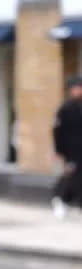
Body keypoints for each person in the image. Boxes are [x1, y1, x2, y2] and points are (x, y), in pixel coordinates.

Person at [52, 76, 82, 219]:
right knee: (70, 175)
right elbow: (57, 131)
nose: (78, 91)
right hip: (71, 150)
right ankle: (60, 199)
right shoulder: (66, 108)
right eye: (76, 88)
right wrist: (59, 150)